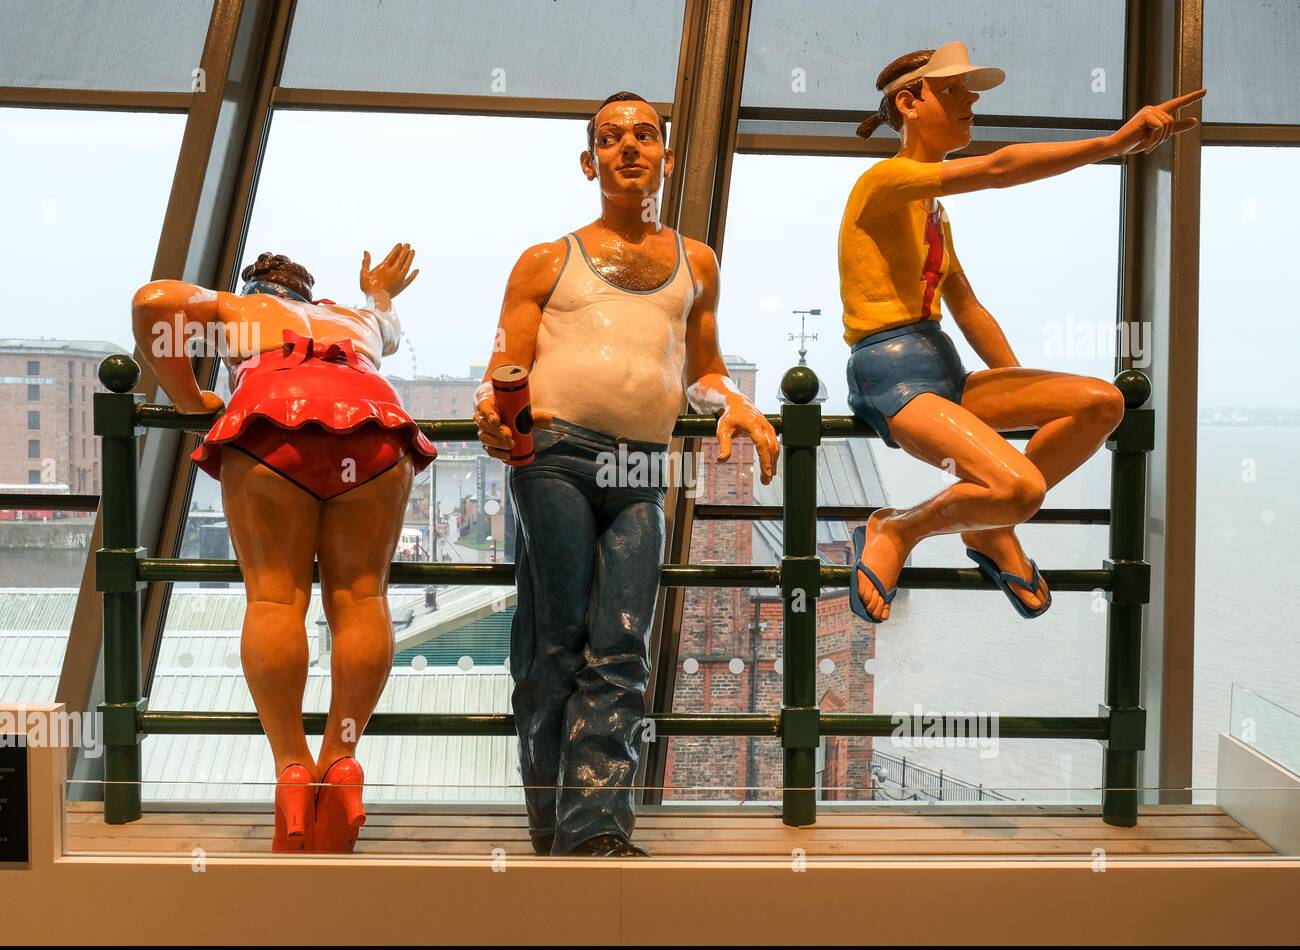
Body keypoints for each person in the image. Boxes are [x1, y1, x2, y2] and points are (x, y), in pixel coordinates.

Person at [474, 92, 780, 857]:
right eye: (611, 139)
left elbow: (703, 368)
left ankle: (597, 830)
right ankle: (553, 827)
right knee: (555, 643)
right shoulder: (547, 260)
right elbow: (503, 366)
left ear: (667, 158)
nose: (630, 148)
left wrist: (732, 403)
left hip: (642, 467)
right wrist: (490, 408)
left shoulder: (695, 263)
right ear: (591, 162)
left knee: (621, 644)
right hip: (557, 460)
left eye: (645, 135)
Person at [840, 42, 1204, 623]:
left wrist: (1015, 389)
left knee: (1100, 403)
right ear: (908, 102)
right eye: (954, 90)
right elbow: (999, 169)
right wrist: (1112, 145)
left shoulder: (931, 206)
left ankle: (990, 526)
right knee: (1023, 487)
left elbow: (968, 306)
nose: (972, 99)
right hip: (892, 374)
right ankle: (899, 529)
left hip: (944, 369)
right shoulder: (884, 181)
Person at [131, 244, 433, 852]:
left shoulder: (238, 310)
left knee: (275, 601)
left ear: (257, 288)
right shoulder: (354, 319)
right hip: (376, 429)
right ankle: (341, 761)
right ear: (307, 292)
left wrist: (191, 400)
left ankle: (293, 769)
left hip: (272, 427)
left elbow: (154, 301)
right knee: (361, 596)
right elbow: (391, 328)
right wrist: (379, 291)